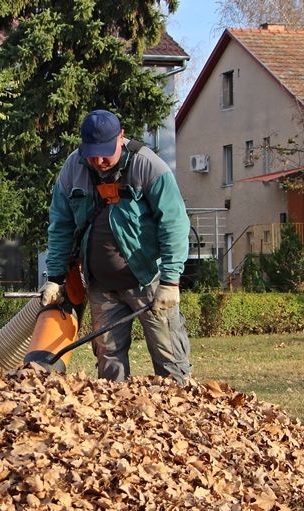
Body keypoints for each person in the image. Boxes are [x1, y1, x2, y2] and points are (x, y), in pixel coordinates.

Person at [41, 109, 191, 384]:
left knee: (170, 358)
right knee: (109, 365)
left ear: (121, 138)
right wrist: (55, 278)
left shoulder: (147, 165)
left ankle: (179, 416)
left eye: (105, 153)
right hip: (101, 287)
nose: (98, 161)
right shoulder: (73, 168)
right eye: (92, 153)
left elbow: (174, 223)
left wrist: (171, 280)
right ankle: (115, 424)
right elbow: (60, 225)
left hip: (149, 283)